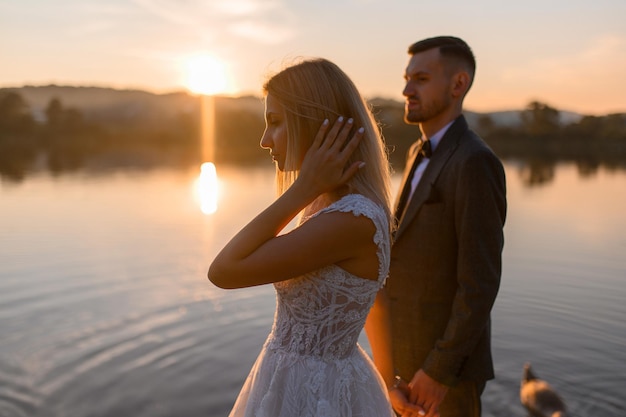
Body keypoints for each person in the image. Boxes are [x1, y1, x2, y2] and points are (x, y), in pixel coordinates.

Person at [208, 58, 415, 417]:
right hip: (300, 377)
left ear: (313, 124)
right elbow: (374, 303)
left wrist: (300, 189)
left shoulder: (349, 220)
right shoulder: (330, 206)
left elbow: (223, 270)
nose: (264, 140)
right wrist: (388, 382)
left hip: (315, 392)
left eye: (275, 122)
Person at [385, 36, 507, 417]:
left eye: (420, 78)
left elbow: (479, 284)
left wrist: (438, 371)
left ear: (458, 84)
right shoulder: (413, 153)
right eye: (406, 78)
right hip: (405, 364)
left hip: (445, 378)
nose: (406, 89)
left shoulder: (474, 162)